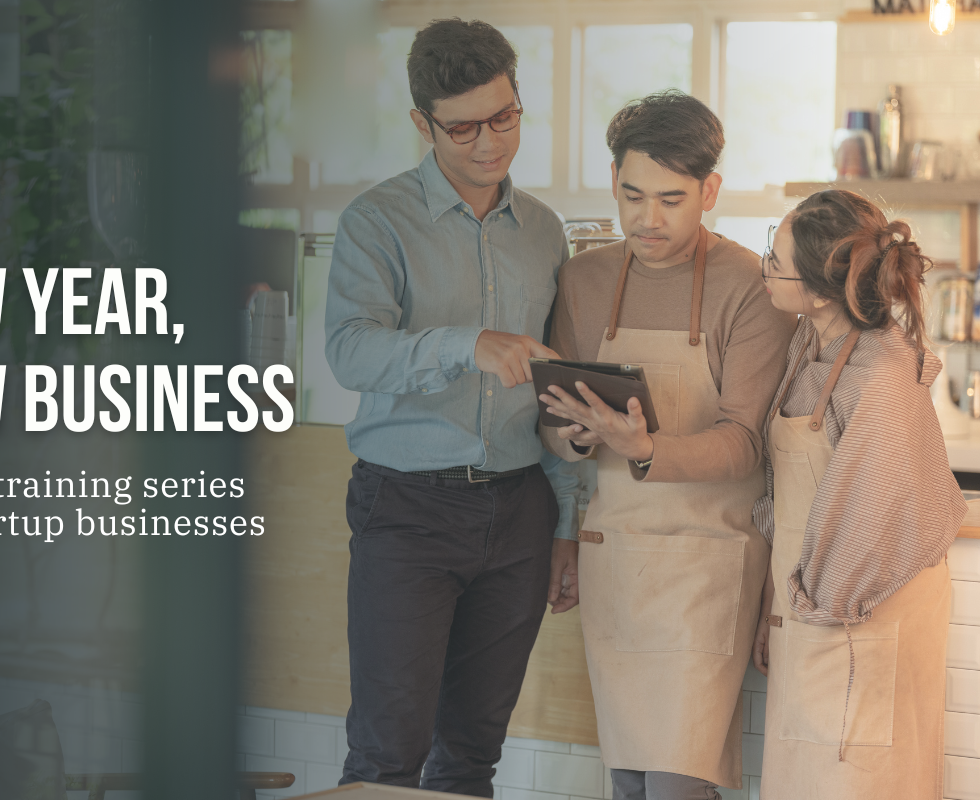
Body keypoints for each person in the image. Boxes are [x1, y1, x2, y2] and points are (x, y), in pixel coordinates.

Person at [323, 18, 581, 797]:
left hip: (519, 512)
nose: (488, 143)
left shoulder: (543, 232)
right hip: (406, 509)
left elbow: (557, 395)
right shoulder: (377, 222)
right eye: (462, 127)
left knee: (471, 755)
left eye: (504, 118)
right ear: (421, 124)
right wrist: (461, 344)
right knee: (385, 755)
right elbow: (350, 351)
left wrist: (565, 524)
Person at [537, 90, 797, 799]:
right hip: (616, 564)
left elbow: (745, 443)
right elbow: (550, 425)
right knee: (627, 782)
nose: (647, 220)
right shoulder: (583, 279)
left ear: (710, 190)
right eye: (631, 196)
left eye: (671, 199)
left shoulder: (749, 284)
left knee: (678, 785)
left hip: (706, 571)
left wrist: (645, 446)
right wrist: (579, 437)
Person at [750, 190, 965, 798]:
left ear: (819, 290)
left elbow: (870, 519)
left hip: (853, 613)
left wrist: (807, 607)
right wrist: (778, 607)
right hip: (811, 609)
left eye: (776, 257)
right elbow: (786, 499)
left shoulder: (880, 371)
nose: (764, 264)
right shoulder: (806, 342)